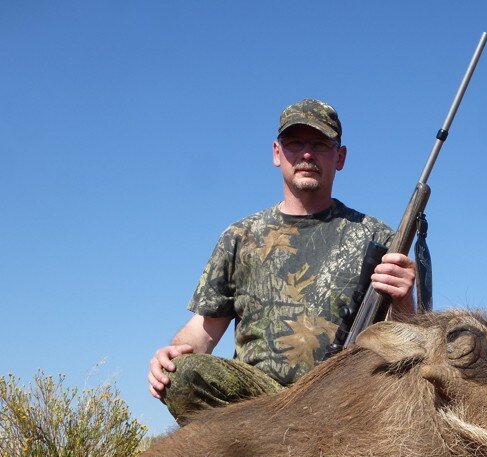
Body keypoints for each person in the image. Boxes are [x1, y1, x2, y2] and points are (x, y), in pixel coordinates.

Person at [149, 99, 416, 424]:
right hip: (255, 405)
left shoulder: (377, 237)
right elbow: (204, 330)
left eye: (320, 144)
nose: (306, 154)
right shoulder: (240, 236)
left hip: (341, 402)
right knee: (182, 375)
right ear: (277, 153)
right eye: (295, 144)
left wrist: (404, 299)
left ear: (340, 157)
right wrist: (172, 355)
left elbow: (402, 342)